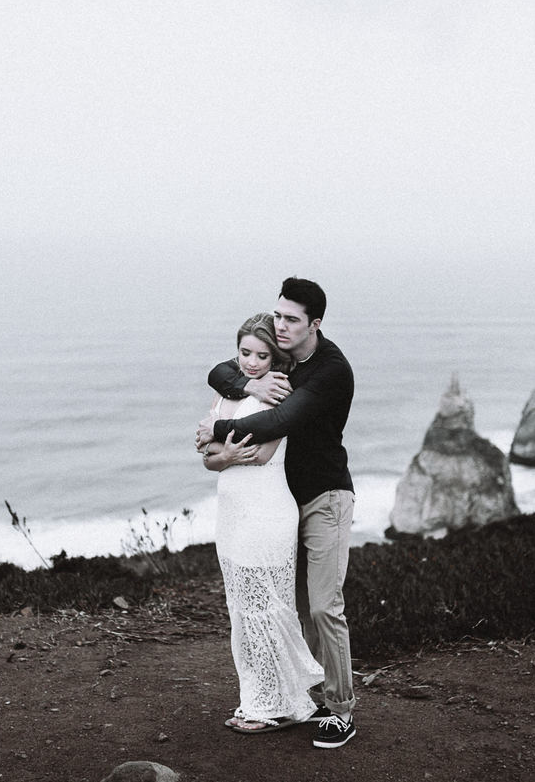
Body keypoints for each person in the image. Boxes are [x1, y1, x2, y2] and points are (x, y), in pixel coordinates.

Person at [196, 277, 358, 749]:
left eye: (291, 319)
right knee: (295, 609)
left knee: (325, 605)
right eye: (279, 315)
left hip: (326, 496)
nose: (280, 325)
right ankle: (293, 701)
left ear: (315, 324)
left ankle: (341, 710)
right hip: (285, 498)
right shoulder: (279, 360)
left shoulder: (330, 370)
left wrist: (213, 430)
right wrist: (246, 381)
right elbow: (220, 370)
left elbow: (277, 422)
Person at [200, 312, 324, 734]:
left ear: (276, 356)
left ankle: (275, 706)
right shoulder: (227, 392)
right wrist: (224, 452)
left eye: (262, 354)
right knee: (242, 612)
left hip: (267, 513)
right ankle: (256, 699)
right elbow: (208, 460)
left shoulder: (278, 394)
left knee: (267, 612)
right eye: (245, 353)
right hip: (232, 514)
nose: (252, 362)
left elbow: (262, 455)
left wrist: (224, 448)